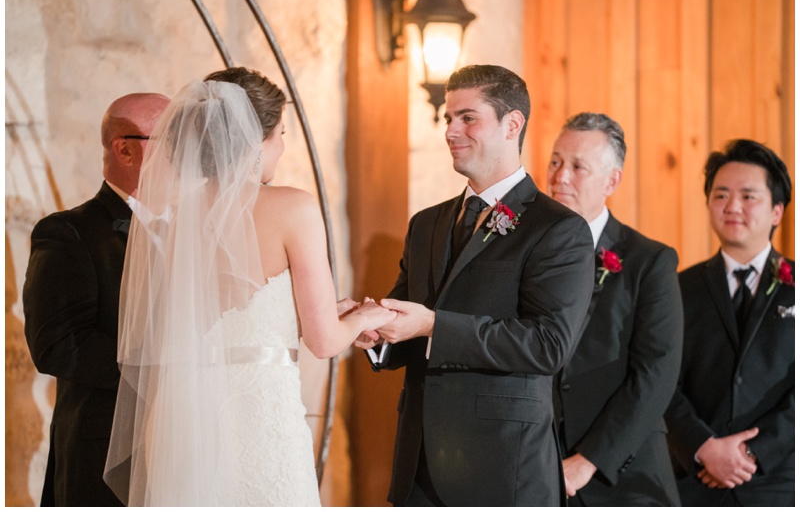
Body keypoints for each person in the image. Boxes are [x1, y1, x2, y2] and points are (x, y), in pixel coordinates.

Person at [104, 67, 394, 506]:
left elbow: (210, 318)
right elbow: (324, 341)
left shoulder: (174, 214)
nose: (283, 145)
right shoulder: (293, 207)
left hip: (184, 422)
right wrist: (366, 316)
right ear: (256, 140)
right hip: (261, 416)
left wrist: (301, 313)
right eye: (281, 133)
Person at [359, 64, 595, 506]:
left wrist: (433, 326)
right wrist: (376, 334)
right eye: (448, 118)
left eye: (467, 118)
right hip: (420, 466)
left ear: (512, 125)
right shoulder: (425, 224)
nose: (451, 130)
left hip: (504, 468)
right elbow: (410, 323)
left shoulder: (558, 229)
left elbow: (548, 345)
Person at [22, 91, 170, 506]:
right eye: (170, 139)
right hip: (103, 453)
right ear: (124, 149)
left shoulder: (198, 234)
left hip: (185, 447)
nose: (183, 152)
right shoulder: (68, 233)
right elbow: (58, 346)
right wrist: (164, 370)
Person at [546, 113, 682, 506]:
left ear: (612, 181)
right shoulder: (528, 254)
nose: (560, 177)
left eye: (577, 166)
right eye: (555, 161)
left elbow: (657, 373)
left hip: (624, 474)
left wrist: (588, 460)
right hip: (541, 468)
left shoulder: (648, 261)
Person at [665, 139, 794, 506]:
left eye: (748, 196)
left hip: (778, 481)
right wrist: (703, 447)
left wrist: (753, 454)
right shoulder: (677, 287)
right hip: (694, 480)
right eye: (721, 195)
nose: (732, 206)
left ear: (776, 211)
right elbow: (661, 380)